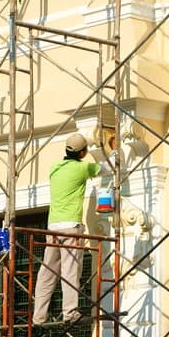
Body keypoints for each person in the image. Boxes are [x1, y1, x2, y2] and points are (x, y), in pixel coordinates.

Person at [32, 132, 114, 325]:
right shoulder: (81, 168)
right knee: (70, 270)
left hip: (52, 227)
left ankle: (38, 316)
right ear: (83, 152)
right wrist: (115, 153)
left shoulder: (55, 168)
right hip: (70, 227)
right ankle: (70, 312)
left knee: (47, 272)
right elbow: (105, 168)